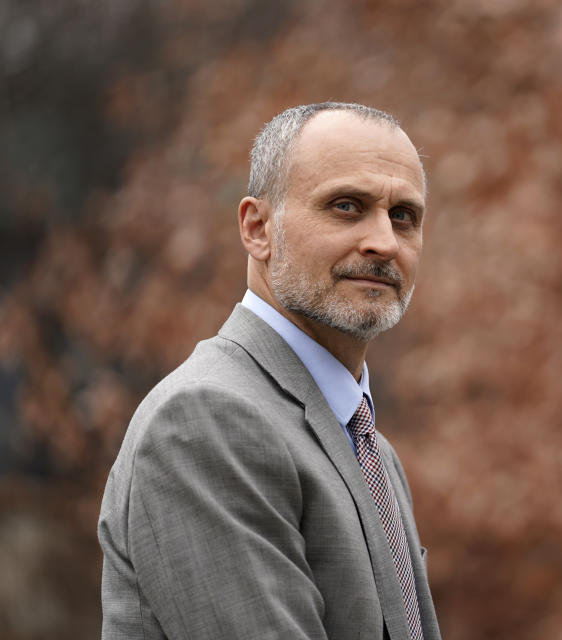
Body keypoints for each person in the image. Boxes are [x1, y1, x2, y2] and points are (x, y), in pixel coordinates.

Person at [98, 102, 442, 640]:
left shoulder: (367, 444)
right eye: (347, 206)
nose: (384, 242)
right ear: (258, 229)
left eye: (404, 216)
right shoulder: (206, 420)